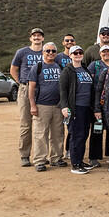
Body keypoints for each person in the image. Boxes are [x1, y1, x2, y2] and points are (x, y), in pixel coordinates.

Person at [27, 41, 64, 172]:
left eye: (53, 51)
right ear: (43, 52)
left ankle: (56, 158)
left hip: (58, 106)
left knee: (58, 133)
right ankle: (40, 161)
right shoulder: (37, 67)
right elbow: (31, 88)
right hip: (42, 105)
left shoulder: (60, 67)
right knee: (40, 134)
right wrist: (32, 105)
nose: (50, 53)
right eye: (48, 51)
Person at [11, 27, 44, 167]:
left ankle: (41, 155)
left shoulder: (47, 52)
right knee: (26, 124)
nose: (36, 37)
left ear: (43, 38)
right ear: (30, 38)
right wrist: (21, 83)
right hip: (25, 88)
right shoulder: (22, 52)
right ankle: (24, 155)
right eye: (34, 35)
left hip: (42, 90)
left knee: (42, 124)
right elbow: (13, 69)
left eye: (39, 35)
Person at [59, 45, 95, 174]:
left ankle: (80, 160)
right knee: (76, 135)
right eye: (75, 53)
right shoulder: (67, 71)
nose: (78, 55)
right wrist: (64, 107)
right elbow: (63, 90)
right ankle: (75, 164)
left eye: (80, 52)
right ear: (70, 55)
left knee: (84, 134)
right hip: (75, 107)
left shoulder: (85, 69)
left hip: (86, 107)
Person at [86, 45, 109, 167]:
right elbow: (89, 81)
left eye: (108, 51)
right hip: (98, 103)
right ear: (100, 53)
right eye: (103, 51)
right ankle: (94, 157)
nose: (106, 53)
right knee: (97, 130)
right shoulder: (95, 65)